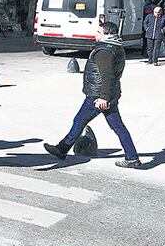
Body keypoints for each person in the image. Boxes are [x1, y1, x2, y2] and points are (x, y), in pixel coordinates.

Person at [43, 21, 142, 168]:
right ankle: (132, 157)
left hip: (98, 95)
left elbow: (107, 75)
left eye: (99, 32)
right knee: (118, 127)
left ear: (107, 34)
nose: (96, 34)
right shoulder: (116, 46)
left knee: (79, 120)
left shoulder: (105, 51)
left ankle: (62, 149)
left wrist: (104, 97)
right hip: (108, 93)